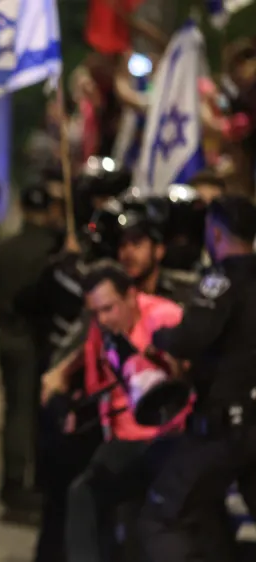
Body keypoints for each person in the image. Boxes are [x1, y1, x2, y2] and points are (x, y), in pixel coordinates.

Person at [40, 261, 188, 562]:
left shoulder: (164, 318)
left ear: (131, 296)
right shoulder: (102, 329)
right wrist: (63, 377)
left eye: (109, 308)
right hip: (122, 437)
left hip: (167, 437)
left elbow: (187, 372)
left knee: (102, 502)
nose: (103, 319)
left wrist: (168, 363)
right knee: (79, 490)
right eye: (95, 312)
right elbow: (89, 376)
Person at [140, 195, 256, 562]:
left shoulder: (221, 281)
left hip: (222, 427)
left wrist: (159, 336)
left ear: (215, 233)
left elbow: (191, 338)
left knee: (164, 517)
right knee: (209, 516)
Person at [0, 184, 64, 523]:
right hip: (34, 340)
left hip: (7, 336)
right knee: (28, 414)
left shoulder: (4, 247)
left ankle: (12, 480)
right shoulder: (52, 249)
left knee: (13, 411)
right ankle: (22, 484)